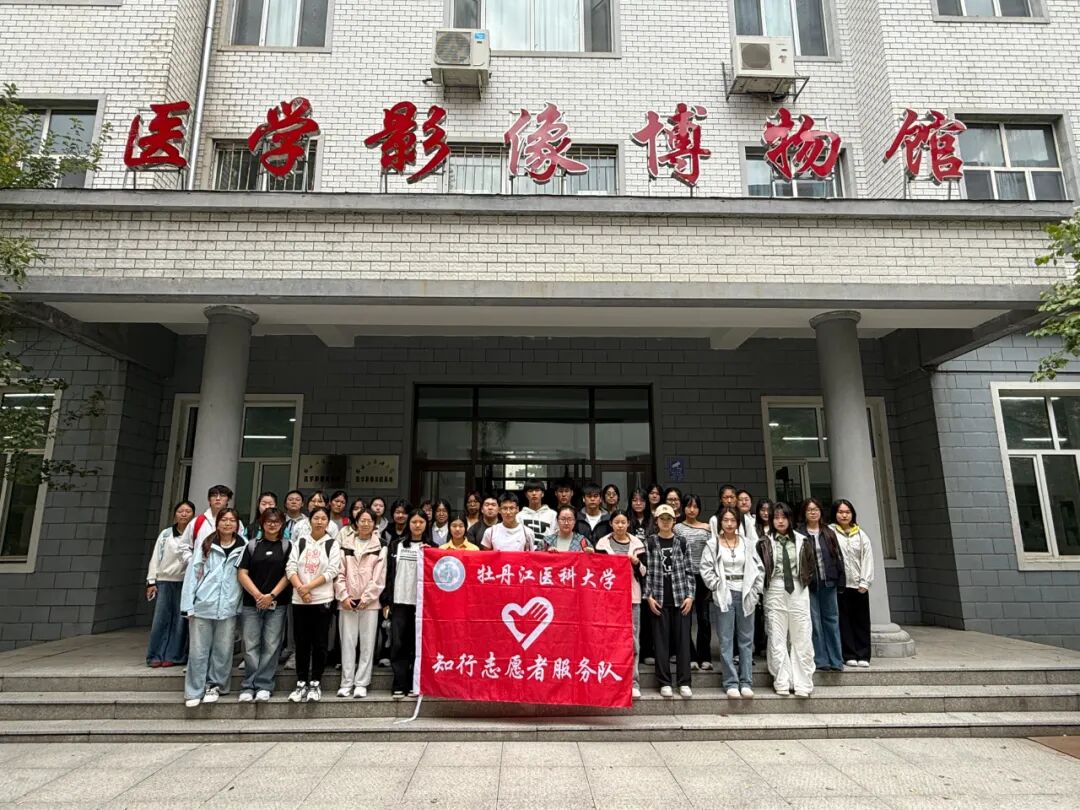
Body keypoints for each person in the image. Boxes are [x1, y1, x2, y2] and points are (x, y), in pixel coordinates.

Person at [180, 508, 245, 708]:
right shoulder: (206, 545)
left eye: (232, 520)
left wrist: (239, 604)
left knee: (223, 650)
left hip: (228, 606)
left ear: (237, 525)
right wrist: (187, 605)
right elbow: (193, 575)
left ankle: (215, 686)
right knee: (198, 650)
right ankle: (194, 690)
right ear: (217, 523)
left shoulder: (243, 546)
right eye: (224, 520)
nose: (227, 523)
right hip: (203, 604)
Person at [701, 505, 764, 699]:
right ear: (720, 522)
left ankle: (746, 681)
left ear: (738, 523)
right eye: (726, 520)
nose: (729, 524)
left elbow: (759, 568)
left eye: (733, 520)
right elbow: (705, 569)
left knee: (746, 640)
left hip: (745, 592)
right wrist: (716, 585)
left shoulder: (747, 543)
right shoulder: (713, 544)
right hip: (725, 593)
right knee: (726, 640)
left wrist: (755, 590)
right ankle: (730, 682)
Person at [757, 502, 816, 698]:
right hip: (774, 587)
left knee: (802, 635)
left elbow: (810, 566)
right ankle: (782, 680)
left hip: (798, 587)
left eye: (784, 517)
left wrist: (804, 582)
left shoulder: (802, 540)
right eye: (776, 518)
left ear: (790, 519)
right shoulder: (764, 542)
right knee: (776, 635)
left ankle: (803, 682)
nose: (780, 521)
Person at [285, 506, 341, 703]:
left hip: (322, 600)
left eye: (323, 518)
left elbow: (332, 570)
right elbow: (290, 567)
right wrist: (301, 589)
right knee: (301, 642)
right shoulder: (300, 542)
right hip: (299, 600)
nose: (319, 522)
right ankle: (301, 682)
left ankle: (316, 682)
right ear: (310, 521)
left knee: (320, 643)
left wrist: (308, 587)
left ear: (328, 522)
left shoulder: (332, 544)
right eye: (316, 518)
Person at [237, 507, 291, 702]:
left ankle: (264, 684)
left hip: (277, 604)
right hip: (251, 604)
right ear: (262, 523)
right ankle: (249, 684)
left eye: (276, 521)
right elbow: (242, 572)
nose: (272, 524)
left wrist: (272, 595)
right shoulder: (252, 546)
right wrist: (258, 595)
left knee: (271, 645)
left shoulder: (287, 546)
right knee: (250, 645)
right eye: (269, 521)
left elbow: (289, 574)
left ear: (282, 524)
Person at [643, 504, 695, 698]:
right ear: (656, 521)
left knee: (683, 643)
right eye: (662, 518)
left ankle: (684, 682)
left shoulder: (682, 542)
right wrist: (648, 596)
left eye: (669, 519)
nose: (665, 522)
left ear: (674, 521)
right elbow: (646, 572)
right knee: (661, 643)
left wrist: (690, 596)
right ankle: (664, 682)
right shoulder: (650, 542)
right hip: (658, 598)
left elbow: (690, 571)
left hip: (681, 598)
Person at [335, 508, 387, 699]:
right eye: (362, 520)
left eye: (369, 521)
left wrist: (366, 598)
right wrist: (343, 596)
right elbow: (338, 573)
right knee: (347, 643)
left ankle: (361, 683)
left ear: (374, 524)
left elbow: (379, 577)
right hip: (346, 602)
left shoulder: (381, 545)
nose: (365, 524)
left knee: (367, 644)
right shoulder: (345, 544)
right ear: (355, 523)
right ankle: (346, 682)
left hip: (370, 604)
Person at [595, 509, 646, 698]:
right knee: (608, 639)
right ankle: (609, 680)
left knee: (632, 640)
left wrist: (636, 563)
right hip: (609, 599)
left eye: (623, 522)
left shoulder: (638, 544)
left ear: (628, 524)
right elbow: (596, 570)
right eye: (616, 522)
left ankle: (633, 681)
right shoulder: (602, 544)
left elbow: (644, 572)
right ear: (611, 524)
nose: (620, 525)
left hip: (632, 597)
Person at [383, 510, 431, 698]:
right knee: (398, 643)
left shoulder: (432, 547)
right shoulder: (396, 545)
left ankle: (414, 683)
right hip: (399, 601)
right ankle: (399, 682)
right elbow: (388, 574)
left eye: (421, 522)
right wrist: (386, 600)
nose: (417, 525)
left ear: (426, 524)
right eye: (414, 522)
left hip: (422, 604)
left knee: (417, 643)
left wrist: (430, 554)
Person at [145, 499, 196, 668]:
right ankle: (155, 654)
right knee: (161, 619)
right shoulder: (166, 534)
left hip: (184, 582)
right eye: (180, 511)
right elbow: (155, 558)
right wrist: (151, 581)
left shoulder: (194, 535)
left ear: (193, 515)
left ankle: (174, 655)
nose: (184, 514)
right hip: (165, 581)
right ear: (175, 514)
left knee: (180, 622)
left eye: (188, 512)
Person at [799, 497, 845, 672]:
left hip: (829, 581)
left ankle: (836, 659)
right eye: (809, 510)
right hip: (810, 584)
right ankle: (821, 659)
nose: (813, 512)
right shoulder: (800, 534)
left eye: (816, 509)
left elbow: (838, 557)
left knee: (832, 620)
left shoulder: (828, 532)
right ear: (804, 513)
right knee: (815, 622)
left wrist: (841, 579)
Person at [831, 499, 874, 669]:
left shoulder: (861, 535)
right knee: (844, 621)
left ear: (852, 514)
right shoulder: (831, 532)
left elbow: (867, 559)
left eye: (847, 512)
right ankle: (849, 654)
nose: (844, 515)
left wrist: (865, 581)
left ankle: (863, 654)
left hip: (858, 585)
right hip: (841, 585)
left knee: (861, 621)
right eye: (840, 512)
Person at [675, 493, 713, 672]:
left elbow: (713, 552)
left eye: (695, 506)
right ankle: (689, 656)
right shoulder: (677, 528)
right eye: (689, 506)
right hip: (684, 576)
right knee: (686, 617)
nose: (692, 510)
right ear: (683, 508)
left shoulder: (707, 528)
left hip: (703, 576)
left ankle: (705, 656)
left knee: (704, 618)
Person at [184, 484, 245, 550]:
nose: (218, 498)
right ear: (209, 500)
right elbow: (184, 546)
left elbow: (242, 546)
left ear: (228, 500)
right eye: (214, 495)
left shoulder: (236, 523)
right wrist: (193, 557)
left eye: (222, 495)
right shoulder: (198, 521)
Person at [575, 482, 611, 546]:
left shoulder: (608, 519)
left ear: (601, 499)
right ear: (583, 499)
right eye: (589, 496)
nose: (592, 499)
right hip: (581, 551)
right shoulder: (576, 518)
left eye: (595, 496)